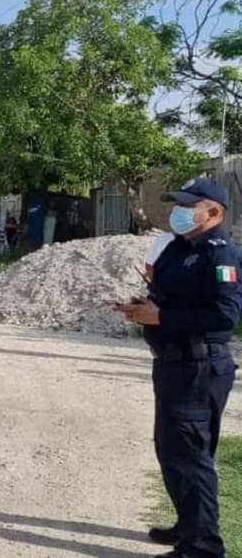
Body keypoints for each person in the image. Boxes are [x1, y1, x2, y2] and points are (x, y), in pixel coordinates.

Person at [115, 177, 239, 558]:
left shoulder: (220, 255)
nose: (179, 212)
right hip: (173, 366)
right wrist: (142, 307)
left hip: (199, 367)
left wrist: (163, 317)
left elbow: (226, 315)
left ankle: (202, 547)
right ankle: (189, 525)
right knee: (172, 451)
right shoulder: (176, 249)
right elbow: (165, 297)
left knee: (189, 455)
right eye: (178, 205)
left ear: (213, 213)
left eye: (189, 206)